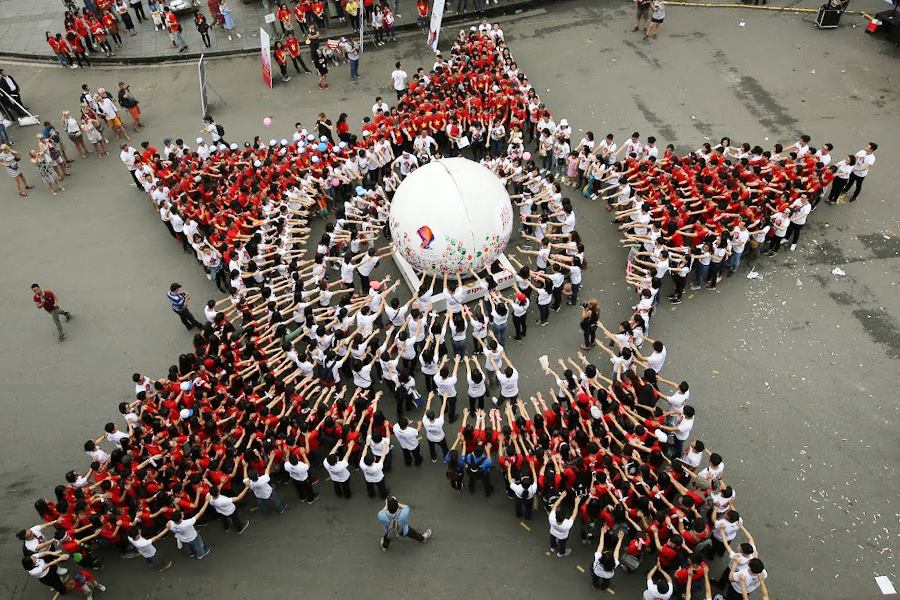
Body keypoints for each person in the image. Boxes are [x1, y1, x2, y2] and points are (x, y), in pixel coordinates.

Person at [548, 491, 581, 557]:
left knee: (552, 539)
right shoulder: (567, 524)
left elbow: (554, 506)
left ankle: (553, 547)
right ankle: (561, 553)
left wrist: (561, 497)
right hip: (562, 536)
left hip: (553, 532)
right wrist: (577, 503)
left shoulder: (551, 518)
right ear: (564, 519)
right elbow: (574, 514)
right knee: (562, 544)